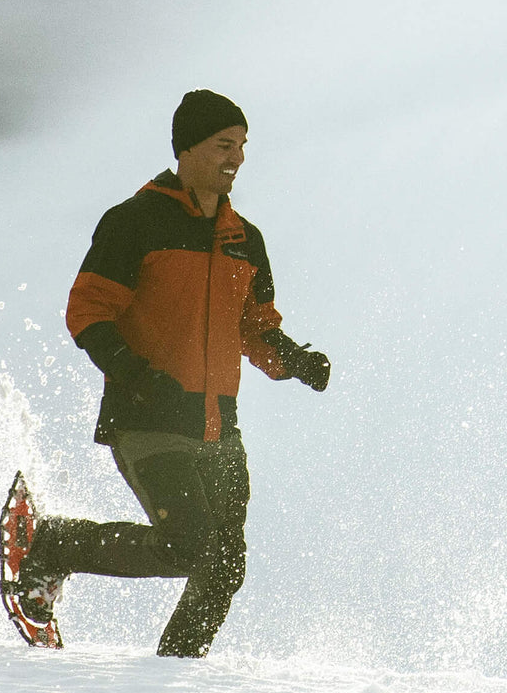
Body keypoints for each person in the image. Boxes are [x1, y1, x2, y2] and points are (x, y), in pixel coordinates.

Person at [17, 89, 330, 658]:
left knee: (225, 566)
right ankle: (59, 544)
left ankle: (177, 681)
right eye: (221, 145)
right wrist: (132, 372)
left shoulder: (246, 239)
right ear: (187, 149)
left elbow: (254, 328)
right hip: (148, 416)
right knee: (190, 548)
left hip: (218, 428)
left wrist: (295, 360)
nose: (234, 158)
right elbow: (87, 310)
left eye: (240, 146)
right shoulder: (134, 222)